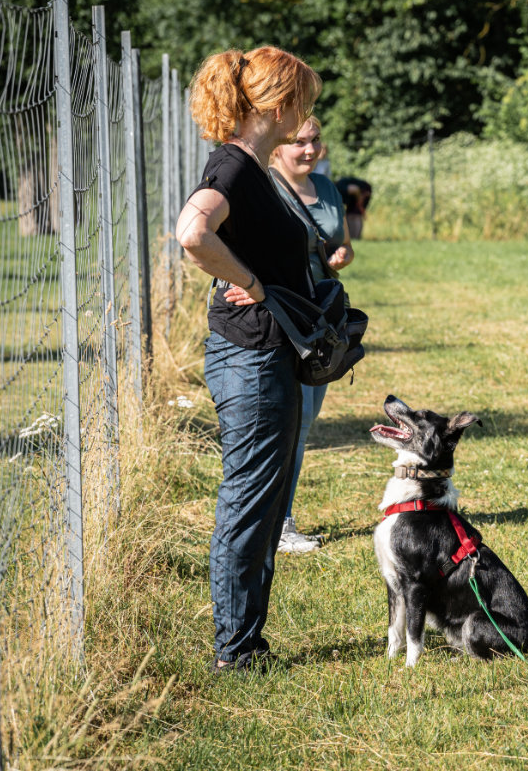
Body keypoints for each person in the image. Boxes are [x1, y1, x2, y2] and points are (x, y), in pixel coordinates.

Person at [175, 46, 321, 673]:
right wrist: (253, 284)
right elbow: (192, 232)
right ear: (281, 103)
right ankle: (235, 650)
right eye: (305, 102)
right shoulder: (233, 168)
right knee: (248, 501)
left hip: (267, 356)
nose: (308, 115)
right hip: (252, 360)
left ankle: (246, 643)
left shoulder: (253, 166)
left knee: (261, 502)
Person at [268, 116, 354, 553]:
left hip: (323, 319)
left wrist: (341, 255)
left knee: (305, 423)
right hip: (286, 318)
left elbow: (344, 244)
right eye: (298, 142)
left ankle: (277, 518)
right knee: (292, 424)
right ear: (277, 147)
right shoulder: (265, 189)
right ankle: (278, 524)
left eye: (315, 140)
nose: (308, 149)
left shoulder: (329, 189)